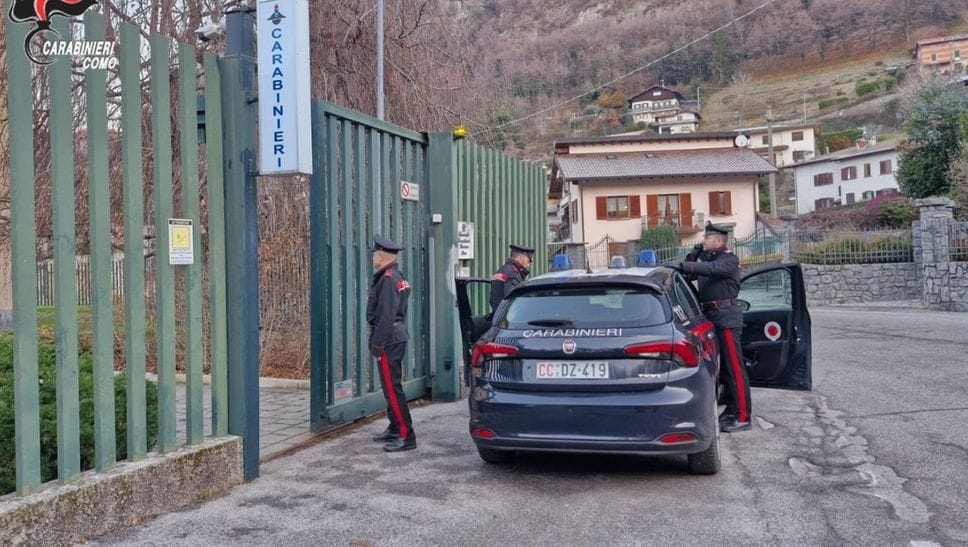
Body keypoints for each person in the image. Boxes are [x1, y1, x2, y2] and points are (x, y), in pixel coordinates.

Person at [680, 222, 751, 433]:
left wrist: (686, 266)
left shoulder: (728, 260)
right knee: (725, 370)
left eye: (706, 238)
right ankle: (731, 410)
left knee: (735, 369)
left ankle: (743, 416)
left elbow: (710, 269)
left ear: (719, 241)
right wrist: (694, 253)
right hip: (713, 318)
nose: (703, 241)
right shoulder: (708, 258)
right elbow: (691, 273)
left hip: (726, 318)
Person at [368, 235, 416, 452]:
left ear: (381, 255)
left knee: (392, 388)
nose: (373, 258)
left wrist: (377, 346)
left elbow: (386, 316)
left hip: (389, 340)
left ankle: (406, 434)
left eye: (374, 254)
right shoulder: (396, 275)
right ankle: (395, 427)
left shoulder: (387, 279)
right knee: (390, 388)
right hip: (396, 337)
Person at [489, 243, 535, 316]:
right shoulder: (512, 274)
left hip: (498, 316)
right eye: (528, 261)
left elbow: (494, 298)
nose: (528, 265)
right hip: (509, 320)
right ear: (520, 258)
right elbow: (513, 301)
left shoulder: (502, 270)